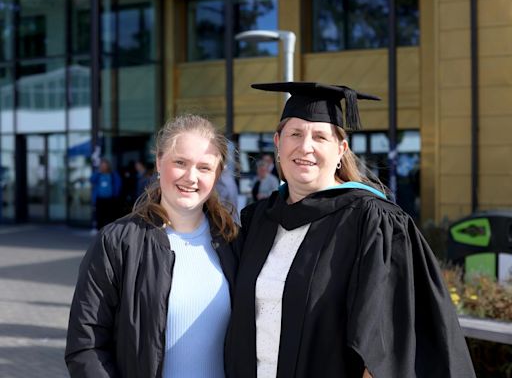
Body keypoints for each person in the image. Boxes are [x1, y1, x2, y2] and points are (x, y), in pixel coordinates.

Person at [225, 82, 476, 378]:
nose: (305, 146)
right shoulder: (258, 220)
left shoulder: (373, 222)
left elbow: (384, 347)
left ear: (341, 149)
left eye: (320, 136)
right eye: (295, 133)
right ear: (278, 142)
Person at [66, 115, 239, 378]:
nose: (191, 177)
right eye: (180, 162)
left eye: (204, 167)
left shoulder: (234, 243)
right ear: (159, 162)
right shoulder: (117, 242)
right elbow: (86, 345)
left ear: (217, 173)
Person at [90, 158, 122, 229]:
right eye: (102, 165)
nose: (103, 167)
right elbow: (92, 180)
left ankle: (109, 231)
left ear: (108, 166)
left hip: (110, 200)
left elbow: (118, 185)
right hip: (99, 200)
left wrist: (116, 195)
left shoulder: (113, 174)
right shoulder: (98, 175)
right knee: (99, 217)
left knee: (110, 217)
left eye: (105, 165)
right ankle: (99, 231)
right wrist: (97, 172)